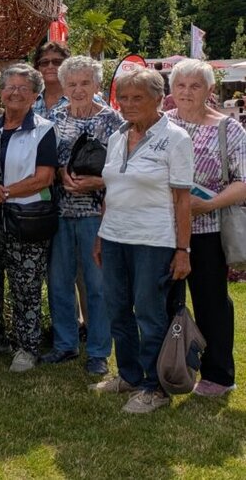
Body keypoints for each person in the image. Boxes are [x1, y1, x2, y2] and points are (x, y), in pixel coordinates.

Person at [93, 67, 193, 413]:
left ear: (157, 99)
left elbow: (183, 199)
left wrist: (183, 249)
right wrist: (102, 235)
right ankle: (130, 375)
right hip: (115, 237)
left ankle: (156, 386)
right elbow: (111, 190)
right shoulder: (118, 137)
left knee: (150, 314)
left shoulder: (176, 138)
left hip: (154, 240)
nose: (128, 104)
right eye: (123, 97)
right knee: (117, 310)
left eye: (138, 98)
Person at [167, 58, 246, 397]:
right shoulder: (160, 124)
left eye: (195, 86)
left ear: (210, 91)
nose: (186, 92)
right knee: (165, 302)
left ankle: (218, 374)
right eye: (180, 85)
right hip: (163, 230)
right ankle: (168, 367)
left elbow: (244, 181)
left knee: (211, 301)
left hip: (209, 229)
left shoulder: (229, 129)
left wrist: (208, 204)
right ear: (171, 90)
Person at [0, 64, 58, 373]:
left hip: (26, 218)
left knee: (26, 284)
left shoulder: (43, 129)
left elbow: (45, 177)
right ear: (0, 92)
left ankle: (28, 346)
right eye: (9, 87)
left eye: (23, 88)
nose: (14, 93)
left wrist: (6, 192)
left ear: (35, 95)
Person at [44, 56, 122, 375]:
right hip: (60, 211)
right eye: (72, 84)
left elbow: (125, 170)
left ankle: (99, 351)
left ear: (97, 85)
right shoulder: (54, 117)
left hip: (97, 212)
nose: (78, 90)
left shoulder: (114, 121)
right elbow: (47, 159)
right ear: (63, 86)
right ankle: (65, 344)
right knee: (59, 281)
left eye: (85, 83)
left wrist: (98, 181)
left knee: (97, 283)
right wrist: (60, 172)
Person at [32, 41, 70, 119]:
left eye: (57, 62)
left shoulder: (82, 99)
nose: (50, 66)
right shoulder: (31, 102)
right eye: (44, 62)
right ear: (38, 68)